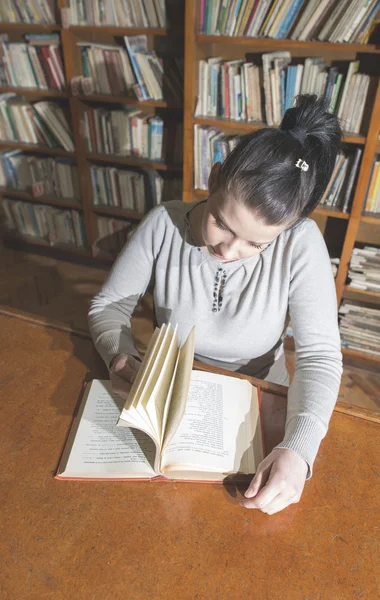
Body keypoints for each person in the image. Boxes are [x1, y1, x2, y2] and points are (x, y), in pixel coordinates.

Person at [88, 94, 343, 515]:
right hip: (171, 389)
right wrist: (119, 355)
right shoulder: (163, 223)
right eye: (222, 223)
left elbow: (318, 356)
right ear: (215, 176)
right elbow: (110, 305)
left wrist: (299, 450)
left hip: (262, 399)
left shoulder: (301, 243)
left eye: (256, 244)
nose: (229, 250)